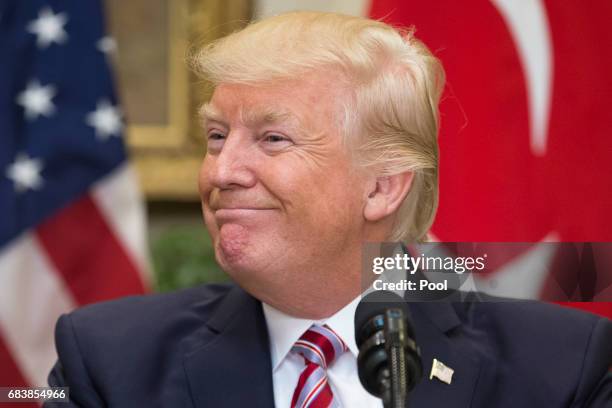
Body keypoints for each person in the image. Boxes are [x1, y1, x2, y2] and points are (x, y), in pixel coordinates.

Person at [46, 11, 612, 407]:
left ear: (382, 187)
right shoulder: (109, 362)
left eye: (273, 139)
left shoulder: (561, 368)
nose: (220, 173)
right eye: (217, 137)